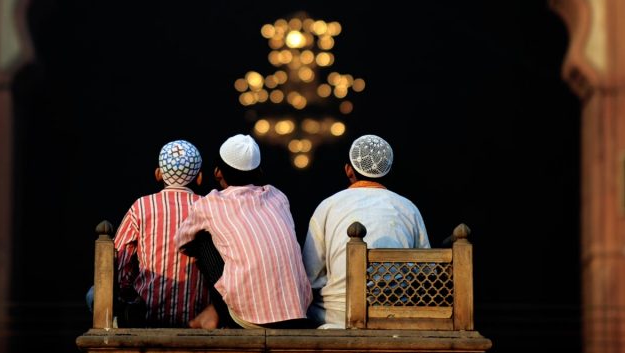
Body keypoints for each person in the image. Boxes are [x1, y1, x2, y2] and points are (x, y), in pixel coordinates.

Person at [175, 134, 314, 329]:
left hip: (248, 320)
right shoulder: (278, 196)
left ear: (217, 173)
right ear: (259, 172)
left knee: (202, 241)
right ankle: (214, 311)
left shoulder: (210, 203)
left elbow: (182, 241)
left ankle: (218, 313)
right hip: (299, 312)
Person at [301, 134, 431, 328]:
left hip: (337, 319)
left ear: (348, 170)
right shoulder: (408, 208)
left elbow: (309, 275)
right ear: (387, 171)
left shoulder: (328, 206)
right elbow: (425, 272)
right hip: (393, 318)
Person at [87, 139, 210, 327]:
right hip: (199, 317)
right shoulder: (210, 207)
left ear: (158, 174)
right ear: (199, 177)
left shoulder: (141, 207)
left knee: (92, 294)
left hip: (147, 314)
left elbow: (120, 266)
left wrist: (129, 294)